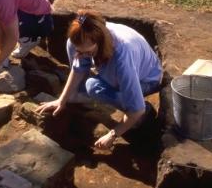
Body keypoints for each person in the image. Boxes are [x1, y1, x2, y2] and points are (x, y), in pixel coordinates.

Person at [36, 10, 162, 150]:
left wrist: (113, 135)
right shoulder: (77, 41)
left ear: (100, 43)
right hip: (118, 67)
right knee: (83, 89)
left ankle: (145, 112)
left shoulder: (121, 57)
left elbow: (137, 110)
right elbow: (77, 69)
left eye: (88, 53)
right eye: (79, 51)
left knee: (95, 88)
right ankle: (93, 95)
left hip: (148, 79)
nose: (81, 55)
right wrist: (62, 100)